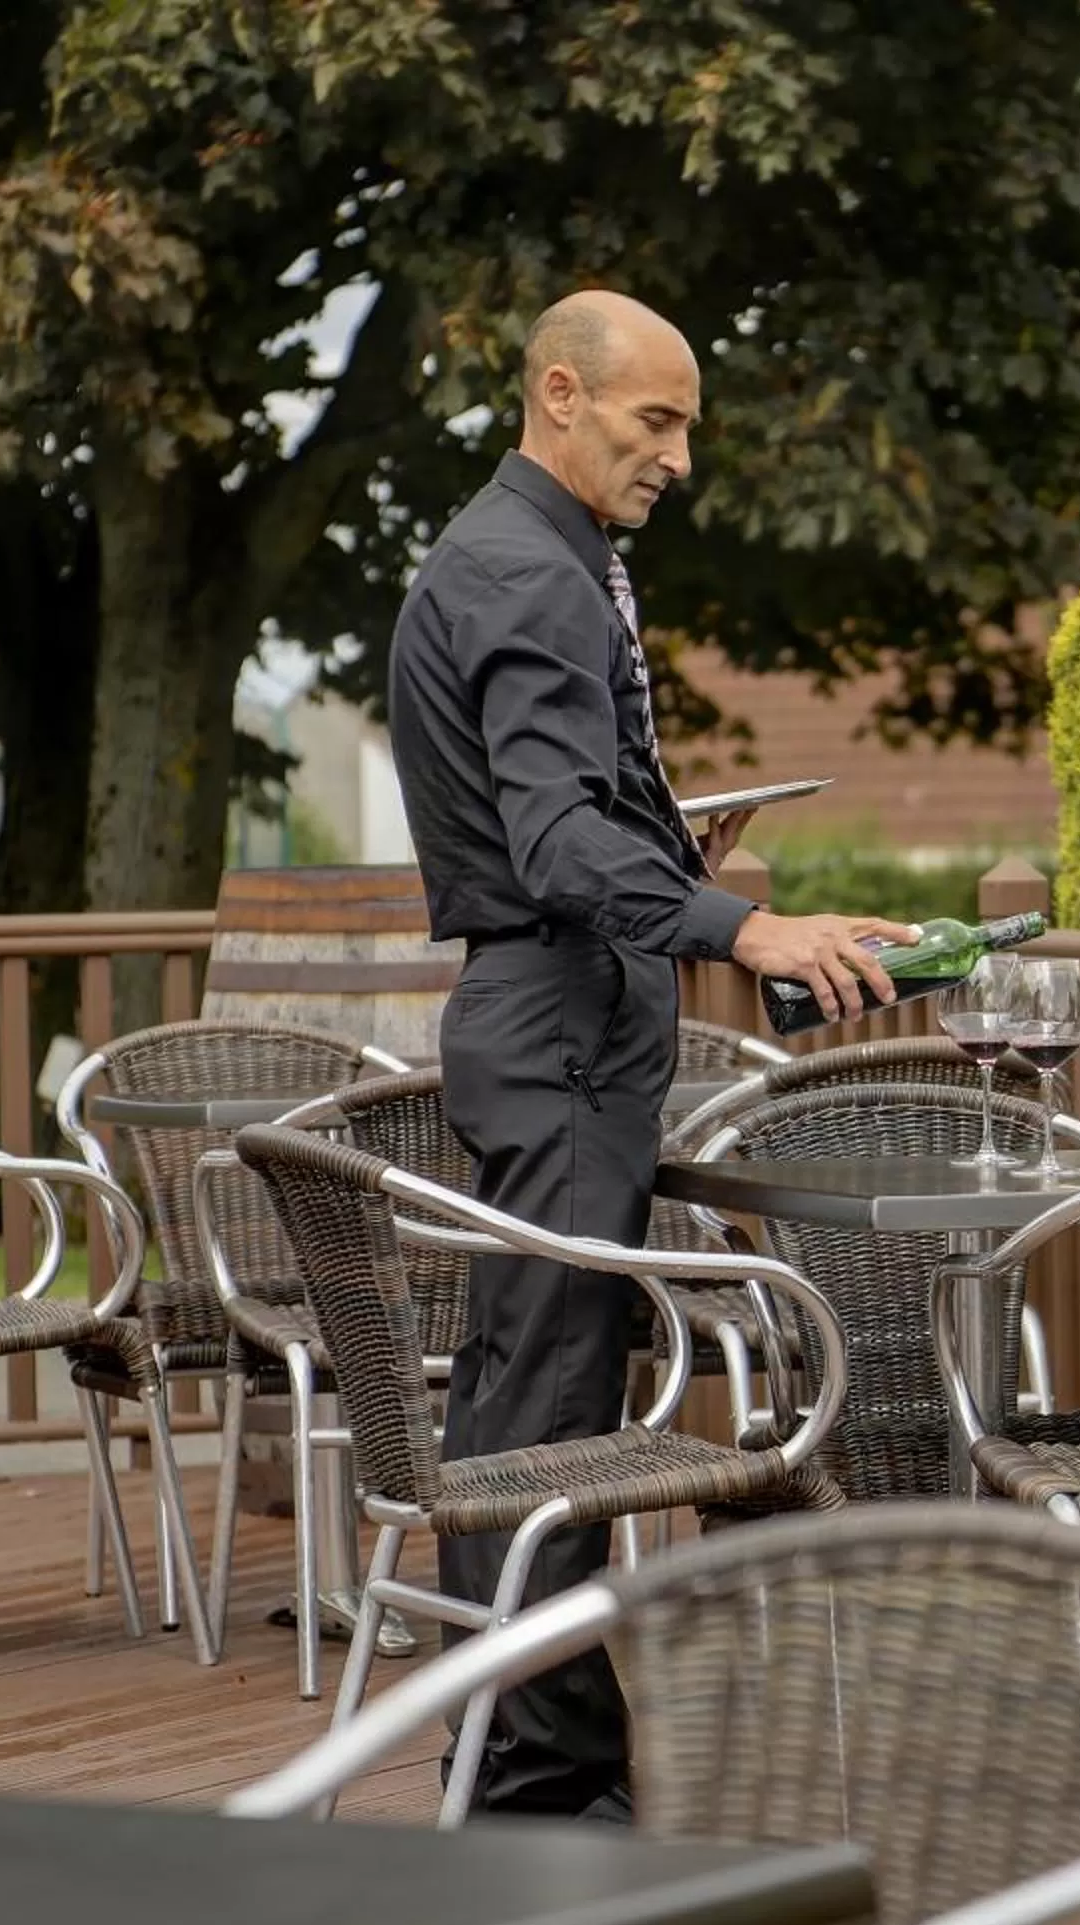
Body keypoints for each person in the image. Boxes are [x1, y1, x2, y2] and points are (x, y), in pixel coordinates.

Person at [386, 288, 910, 1820]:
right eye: (656, 420)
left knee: (517, 1411)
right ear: (562, 394)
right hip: (559, 1023)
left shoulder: (514, 552)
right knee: (549, 1427)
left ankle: (503, 1766)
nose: (680, 457)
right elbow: (553, 848)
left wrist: (680, 863)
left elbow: (555, 817)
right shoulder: (530, 574)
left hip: (546, 1014)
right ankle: (543, 1798)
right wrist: (744, 928)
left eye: (687, 426)